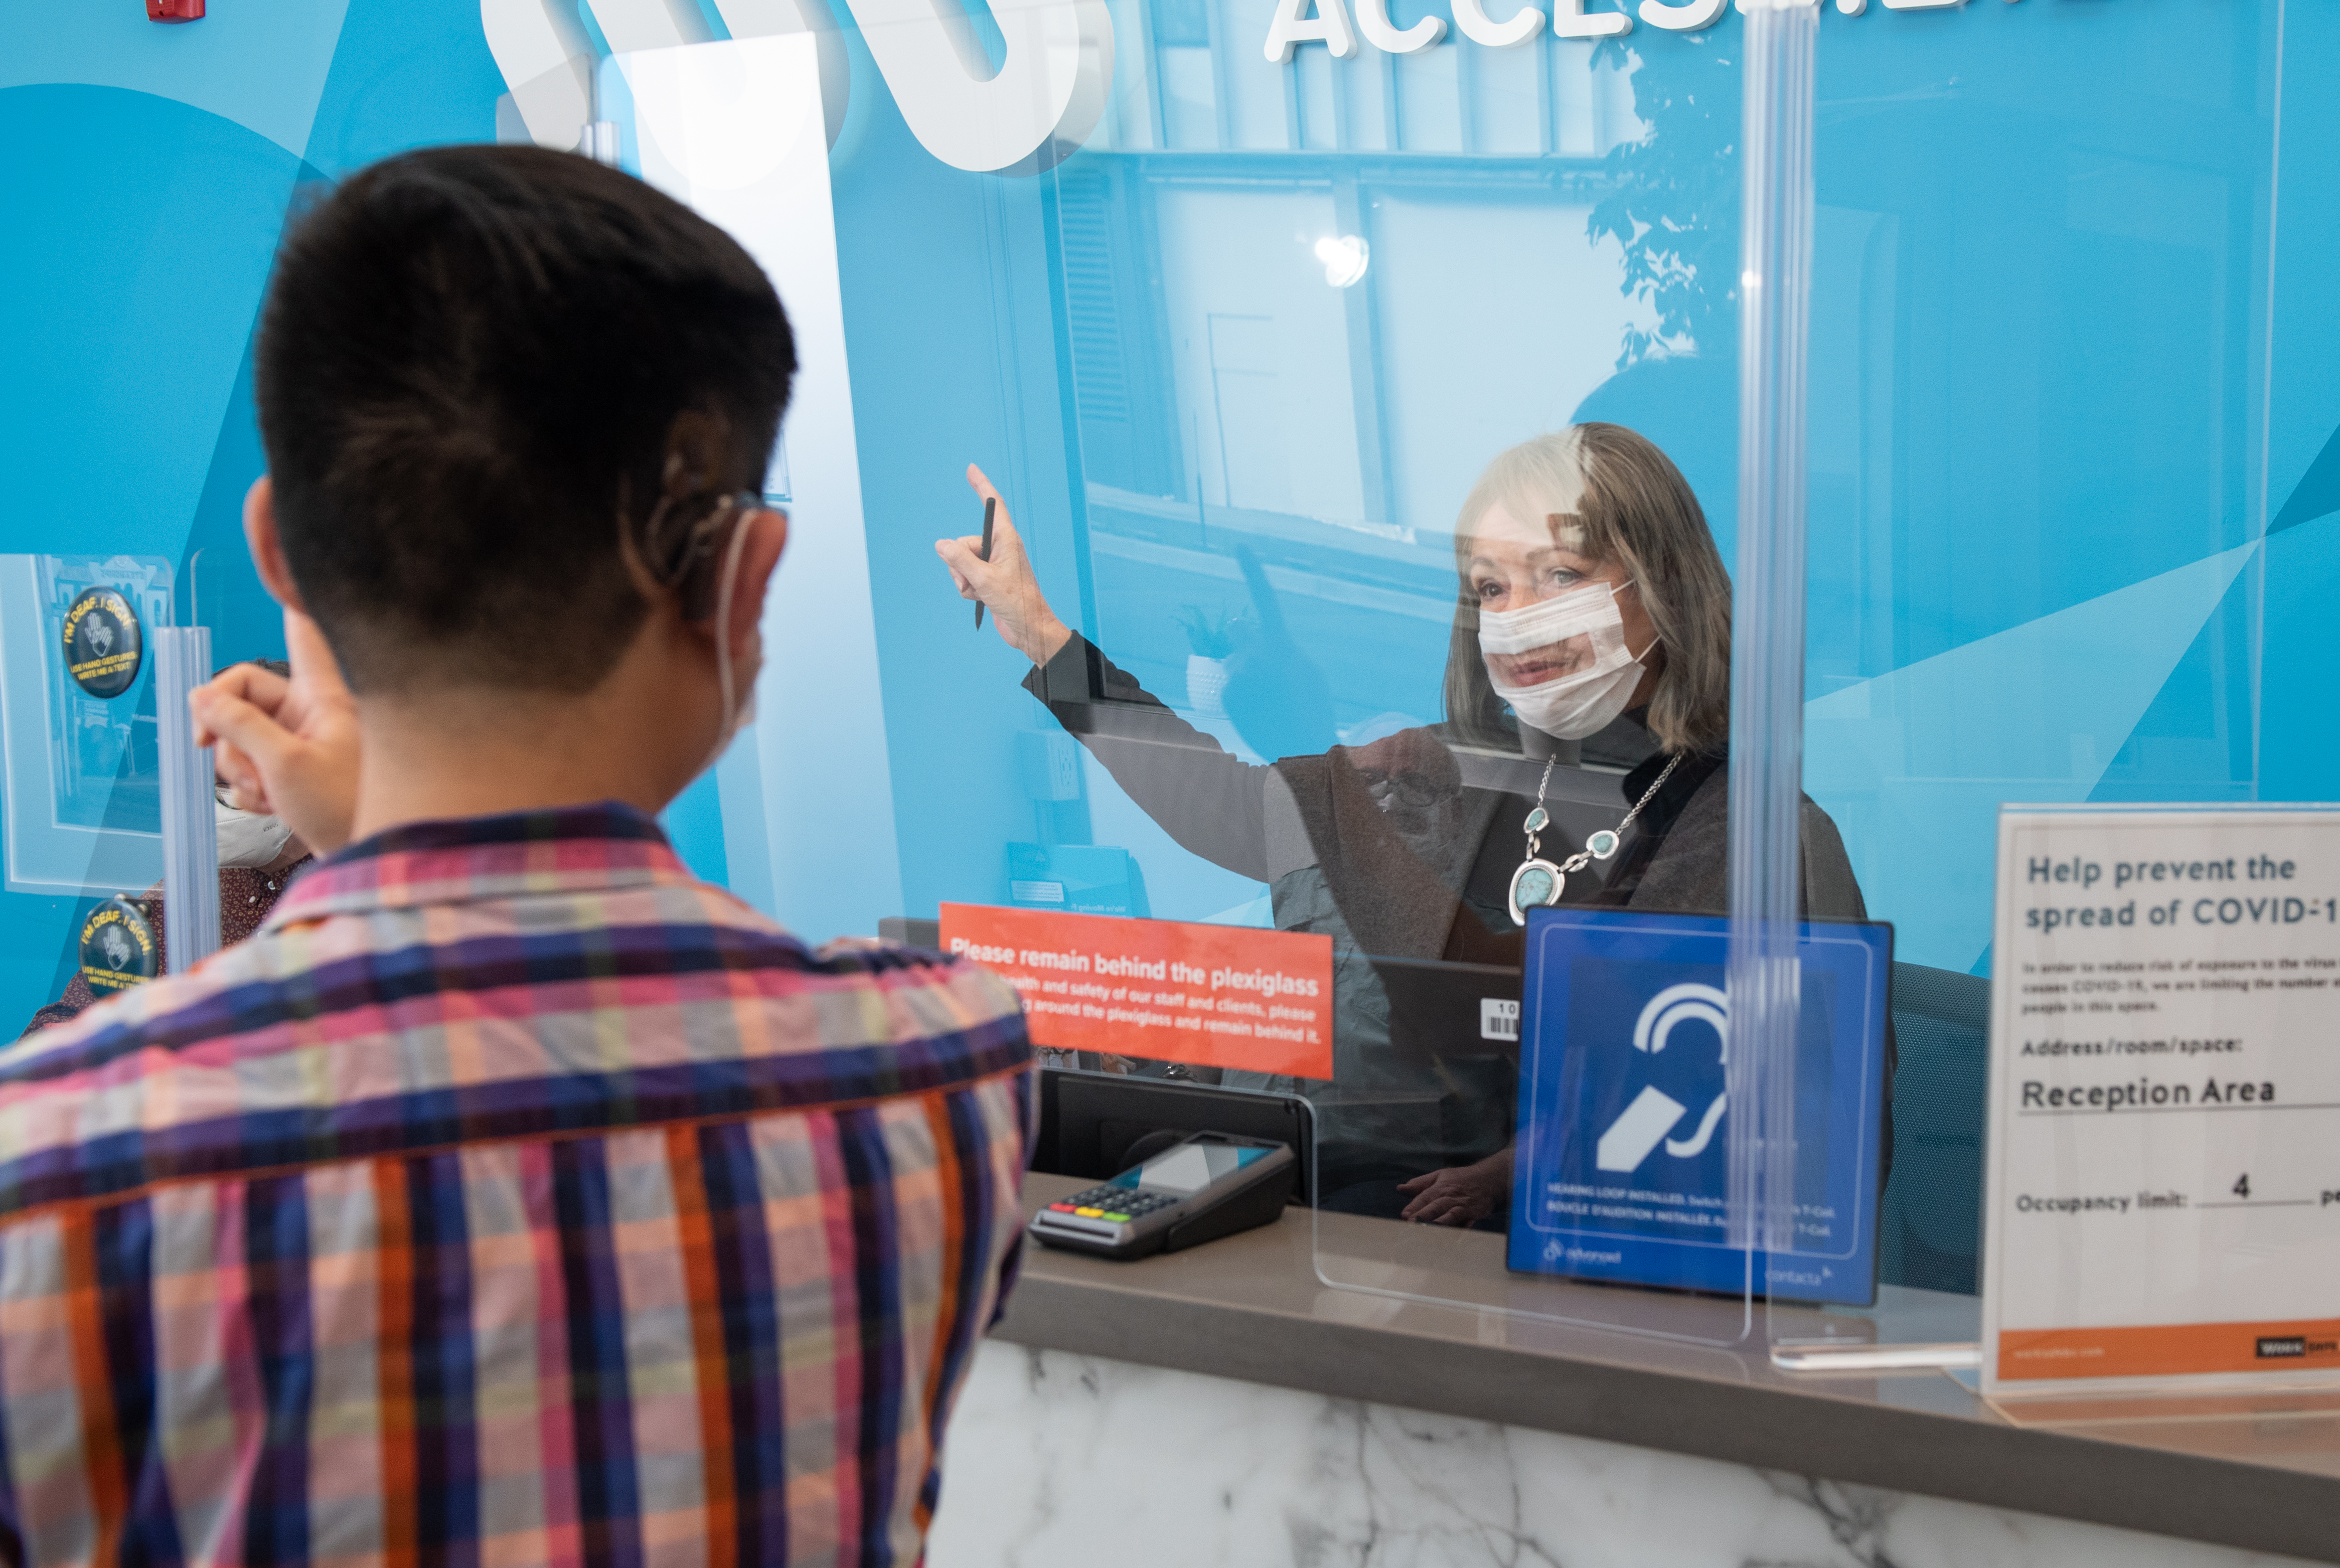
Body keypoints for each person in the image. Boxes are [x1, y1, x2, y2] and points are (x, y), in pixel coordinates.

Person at [0, 145, 1030, 1564]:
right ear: (746, 579)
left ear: (282, 556)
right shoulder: (937, 1073)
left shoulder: (54, 1174)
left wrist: (363, 843)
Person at [938, 423, 1865, 1226]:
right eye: (1490, 588)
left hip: (1554, 1282)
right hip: (1353, 1223)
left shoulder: (1744, 831)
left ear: (1659, 582)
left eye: (1560, 573)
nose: (1517, 616)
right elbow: (1229, 811)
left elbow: (1482, 1013)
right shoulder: (1451, 765)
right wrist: (1040, 634)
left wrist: (1322, 768)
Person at [26, 660, 316, 1035]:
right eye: (201, 776)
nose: (210, 800)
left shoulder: (341, 901)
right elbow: (65, 1019)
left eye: (231, 775)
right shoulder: (185, 893)